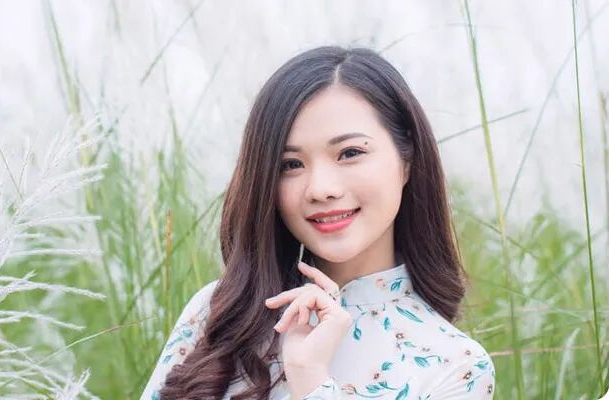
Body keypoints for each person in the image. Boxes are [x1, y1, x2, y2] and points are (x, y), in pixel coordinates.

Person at [140, 45, 496, 399]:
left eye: (350, 153)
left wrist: (310, 379)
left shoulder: (455, 366)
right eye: (291, 164)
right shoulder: (218, 314)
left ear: (407, 161)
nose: (321, 189)